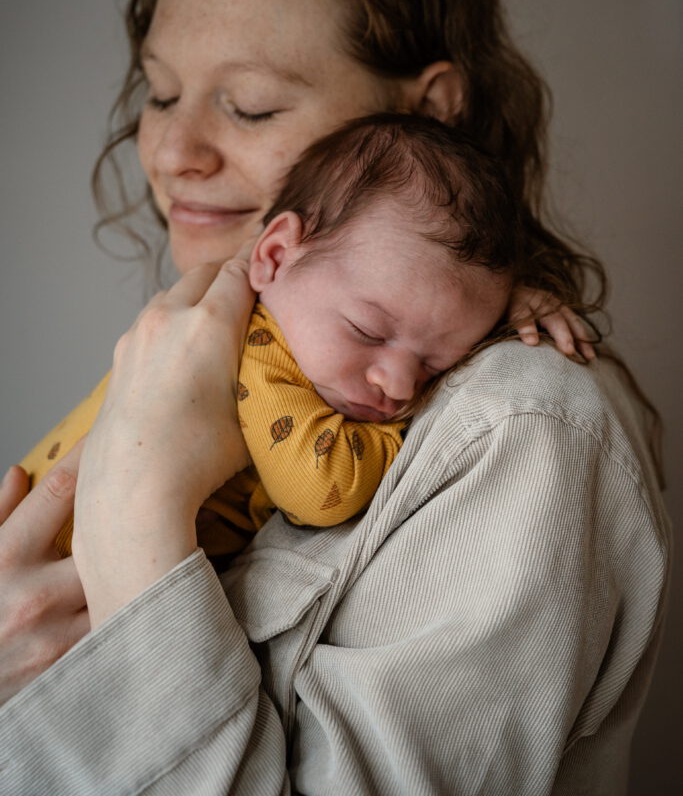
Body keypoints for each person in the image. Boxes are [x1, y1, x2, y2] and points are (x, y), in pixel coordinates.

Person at [0, 0, 669, 795]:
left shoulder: (520, 431)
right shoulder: (227, 348)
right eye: (160, 92)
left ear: (428, 111)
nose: (174, 150)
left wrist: (135, 512)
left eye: (250, 104)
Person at [21, 114, 517, 562]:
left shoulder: (326, 321)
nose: (401, 385)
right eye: (367, 331)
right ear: (276, 256)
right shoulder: (260, 348)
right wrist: (399, 434)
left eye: (436, 364)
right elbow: (323, 491)